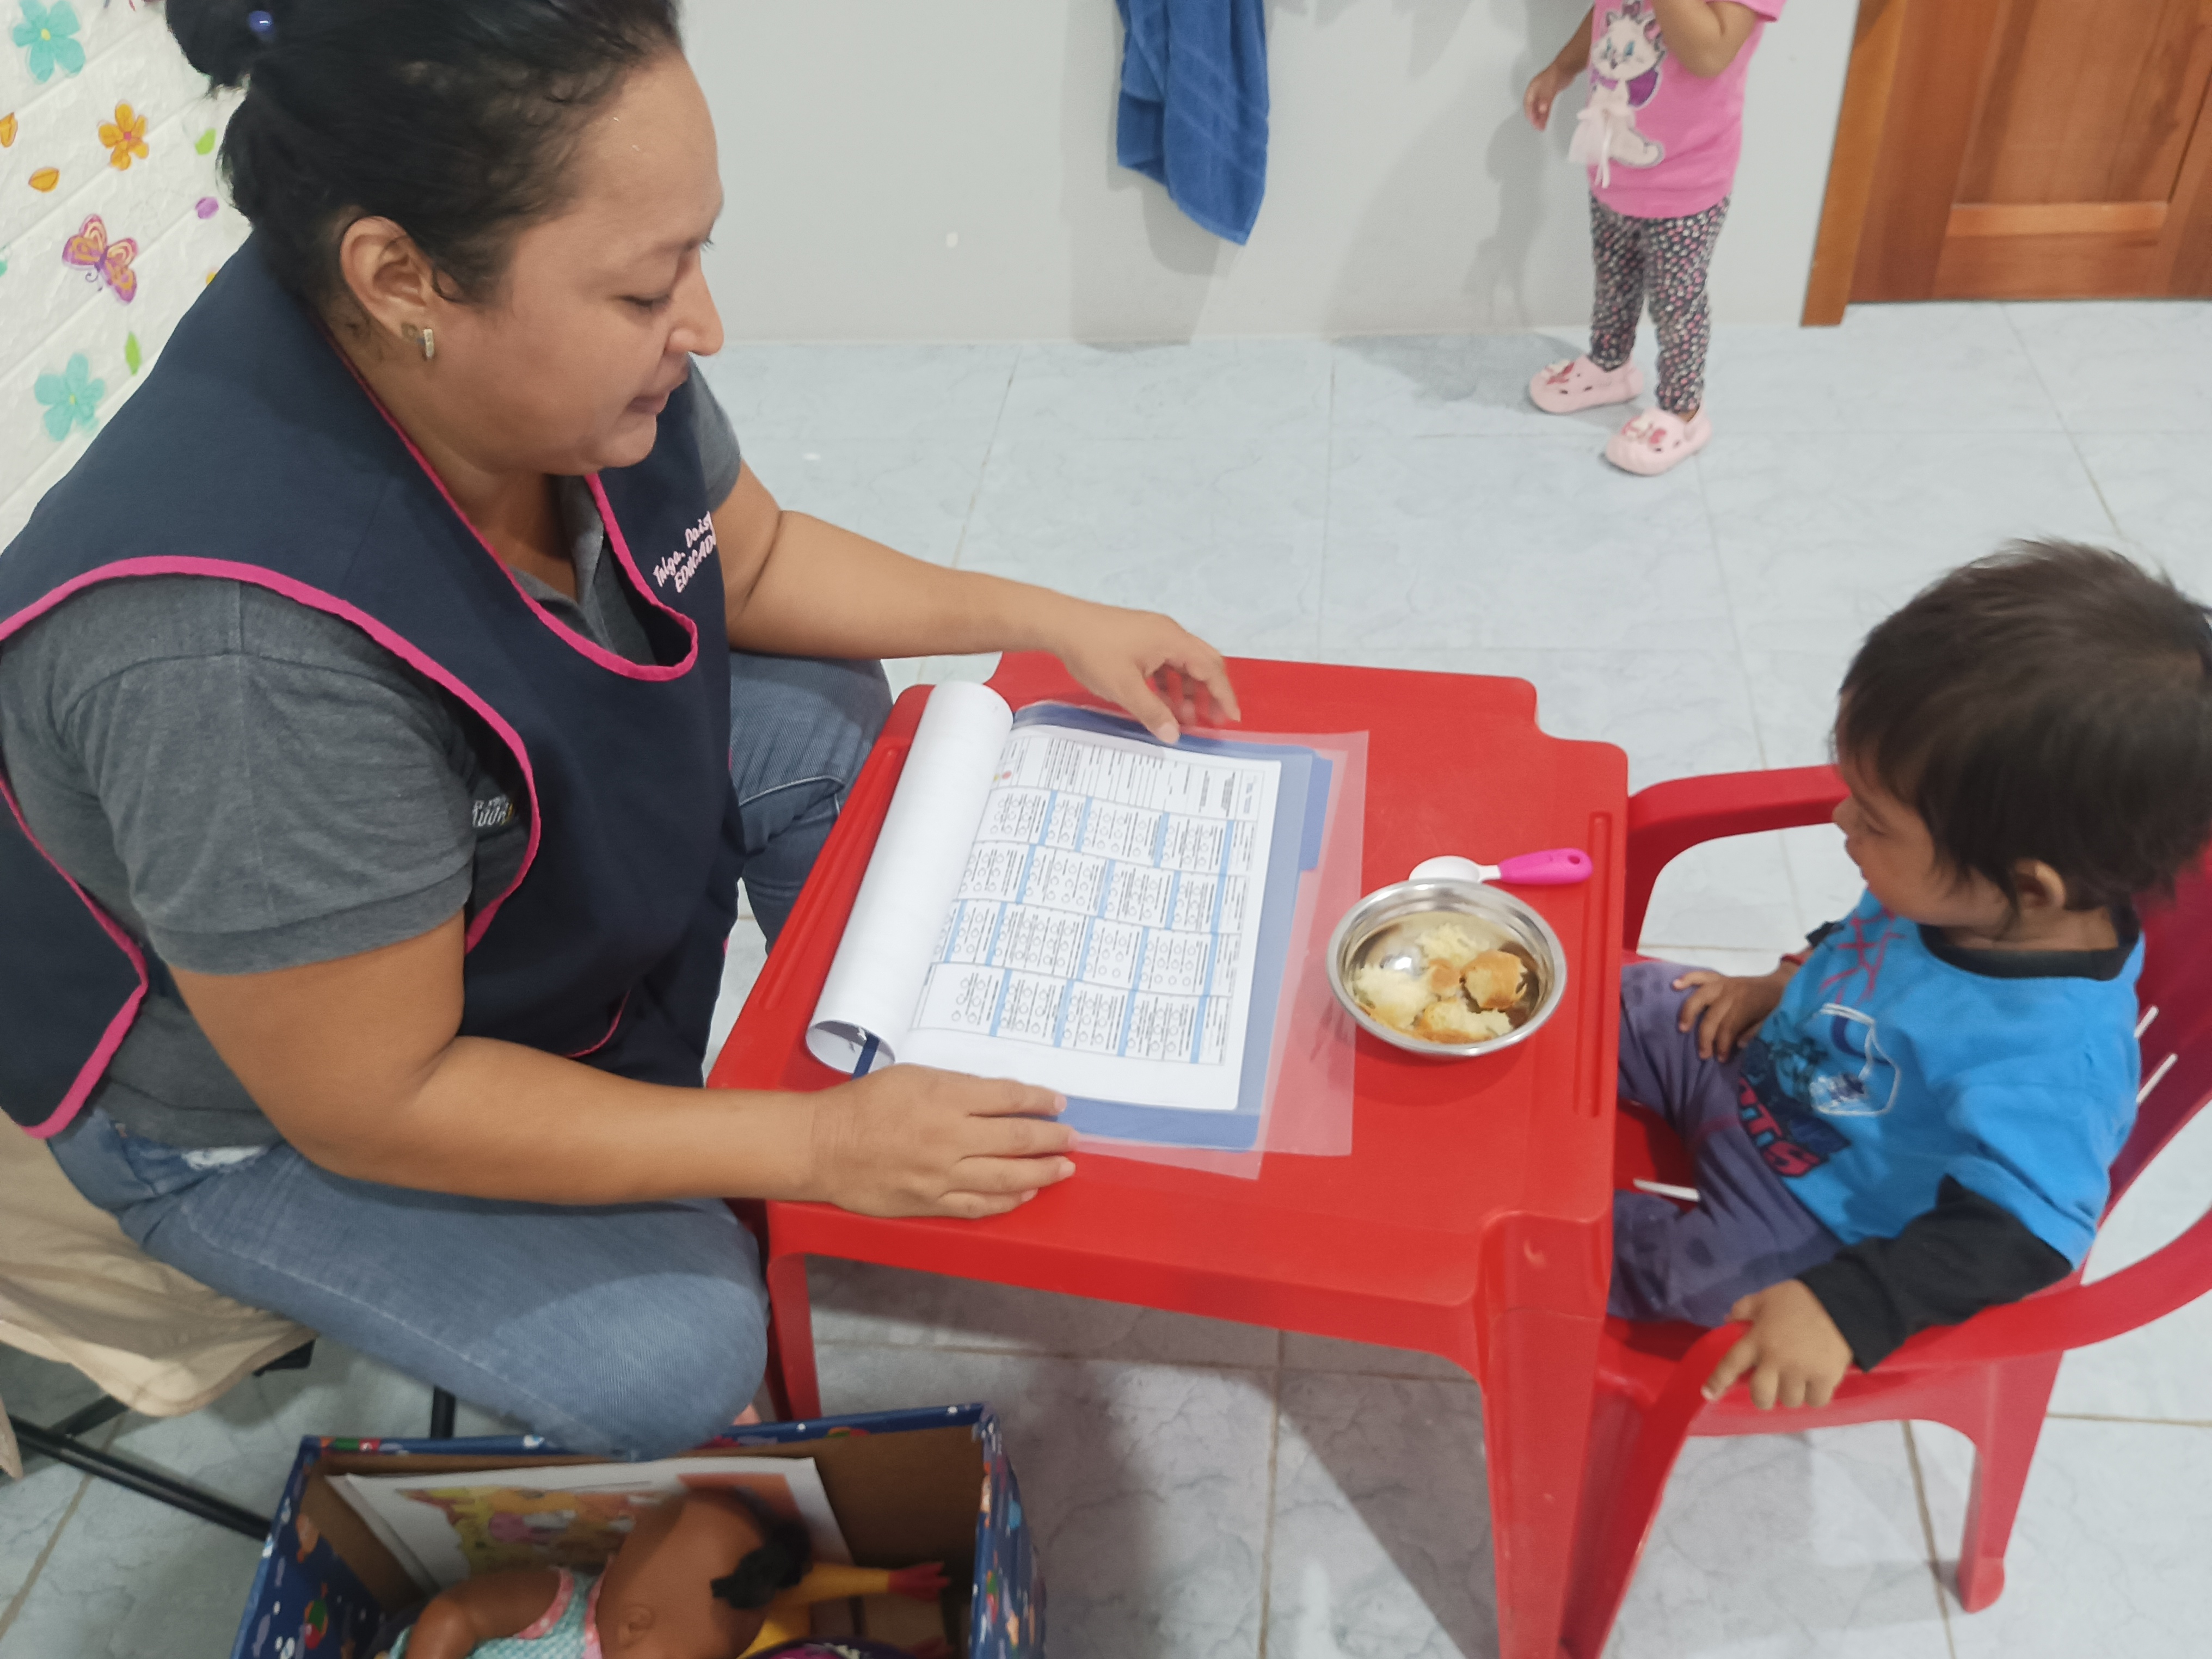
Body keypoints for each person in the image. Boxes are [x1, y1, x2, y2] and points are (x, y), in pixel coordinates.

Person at [0, 0, 1240, 1457]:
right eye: (649, 289)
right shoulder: (230, 660)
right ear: (400, 277)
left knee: (827, 717)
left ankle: (864, 1077)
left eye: (692, 255)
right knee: (676, 1351)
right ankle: (827, 1128)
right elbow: (378, 1097)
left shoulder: (527, 360)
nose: (700, 327)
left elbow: (749, 562)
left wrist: (1046, 618)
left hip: (434, 918)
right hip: (261, 1107)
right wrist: (817, 1148)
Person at [1610, 543, 2212, 1408]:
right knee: (1620, 996)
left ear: (2028, 886)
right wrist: (1781, 984)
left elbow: (2032, 1231)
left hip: (1823, 1212)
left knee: (1697, 1282)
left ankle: (1545, 1242)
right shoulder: (1964, 889)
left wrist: (1851, 1305)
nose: (1840, 818)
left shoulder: (2051, 1060)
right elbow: (1859, 944)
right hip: (1756, 1066)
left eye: (1875, 819)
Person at [1520, 0, 1784, 475]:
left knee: (1675, 303)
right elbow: (1611, 13)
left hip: (1687, 179)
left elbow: (1711, 54)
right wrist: (1562, 68)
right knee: (1614, 278)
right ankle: (1609, 366)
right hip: (1615, 162)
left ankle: (1684, 411)